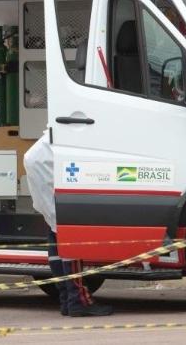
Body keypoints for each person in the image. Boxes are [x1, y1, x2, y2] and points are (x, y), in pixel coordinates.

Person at [24, 132, 113, 317]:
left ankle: (66, 299)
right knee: (68, 233)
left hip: (38, 163)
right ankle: (78, 300)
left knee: (55, 231)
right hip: (46, 166)